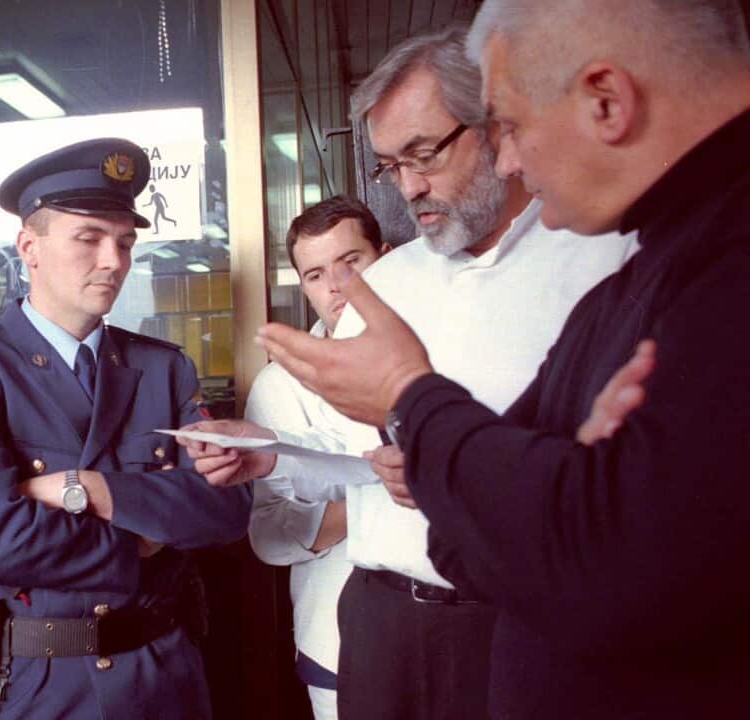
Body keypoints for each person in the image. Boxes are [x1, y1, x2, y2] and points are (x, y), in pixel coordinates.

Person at [254, 1, 750, 717]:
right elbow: (499, 521)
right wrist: (505, 474)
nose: (509, 156)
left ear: (608, 101)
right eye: (391, 165)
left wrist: (418, 404)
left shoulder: (631, 259)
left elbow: (601, 553)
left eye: (509, 127)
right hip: (391, 616)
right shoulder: (647, 272)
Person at [182, 27, 636, 720]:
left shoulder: (597, 260)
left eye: (424, 155)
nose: (410, 187)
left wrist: (447, 464)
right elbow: (362, 462)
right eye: (390, 166)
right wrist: (272, 457)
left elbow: (623, 475)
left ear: (496, 128)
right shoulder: (387, 283)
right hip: (379, 620)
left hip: (521, 622)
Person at [0, 138, 251, 720]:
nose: (113, 261)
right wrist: (144, 539)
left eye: (124, 242)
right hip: (40, 684)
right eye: (88, 238)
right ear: (29, 247)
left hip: (165, 672)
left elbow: (228, 511)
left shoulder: (164, 368)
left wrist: (92, 491)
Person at [245, 196, 389, 720]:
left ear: (387, 256)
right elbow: (269, 536)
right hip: (337, 646)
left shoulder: (439, 354)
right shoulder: (280, 385)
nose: (336, 286)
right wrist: (389, 490)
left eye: (352, 263)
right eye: (315, 274)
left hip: (458, 629)